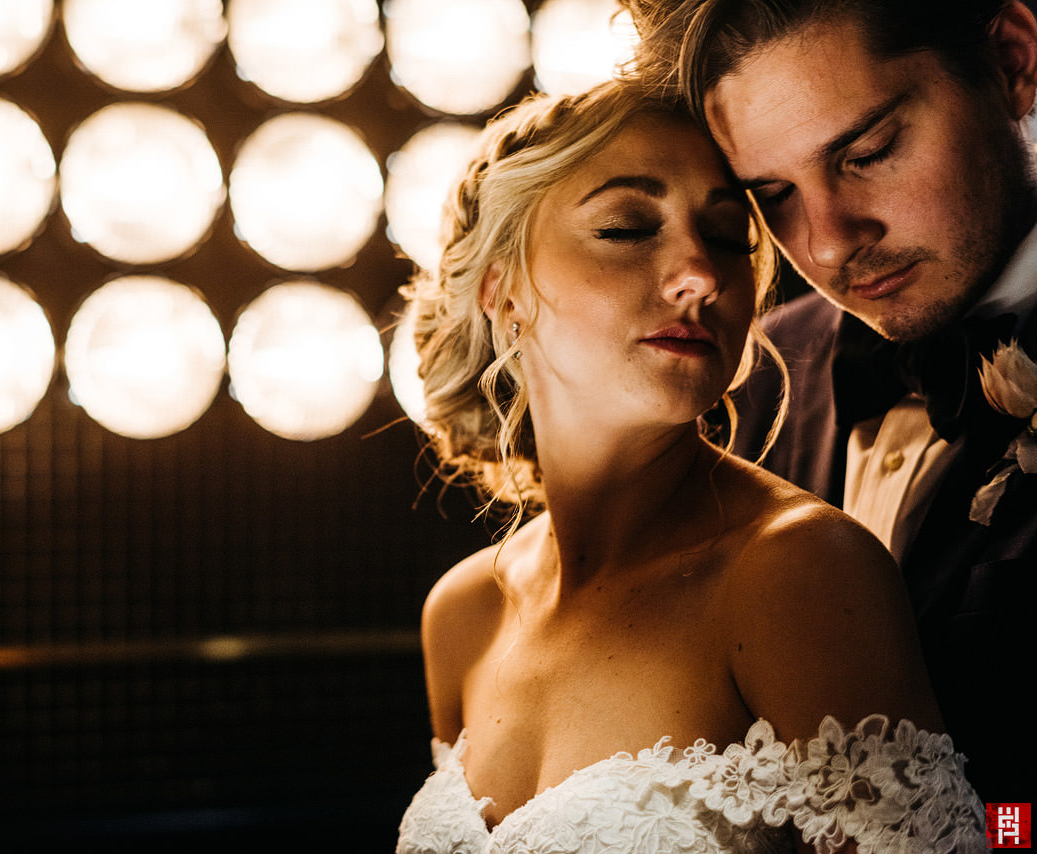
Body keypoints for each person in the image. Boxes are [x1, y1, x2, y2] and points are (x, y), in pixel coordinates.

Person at [394, 78, 986, 854]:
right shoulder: (463, 615)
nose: (701, 276)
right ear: (501, 290)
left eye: (728, 236)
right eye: (628, 227)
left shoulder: (794, 571)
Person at [625, 0, 1037, 804]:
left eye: (868, 152)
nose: (827, 241)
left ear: (1013, 63)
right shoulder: (751, 378)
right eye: (772, 193)